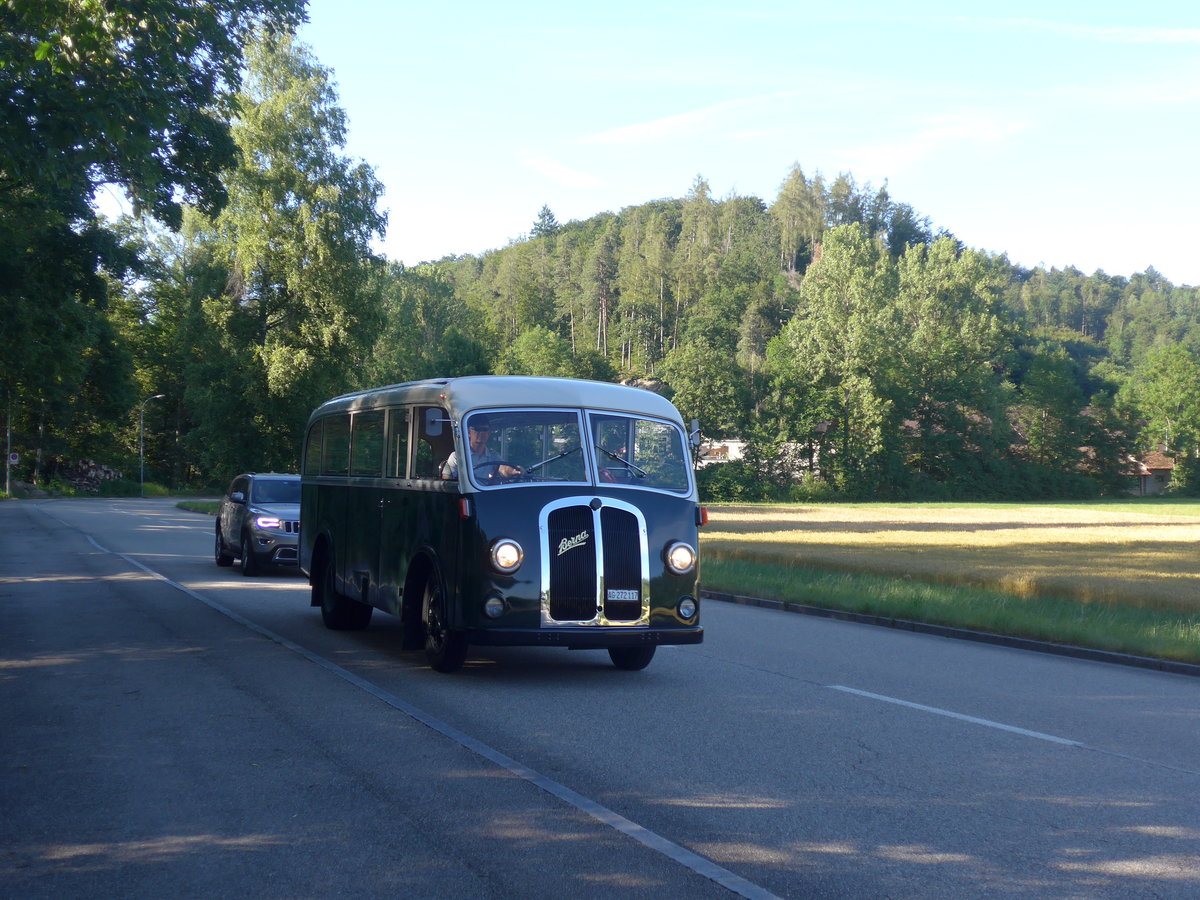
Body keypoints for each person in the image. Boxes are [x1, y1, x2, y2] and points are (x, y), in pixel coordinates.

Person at [441, 415, 523, 481]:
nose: (481, 433)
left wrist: (514, 470)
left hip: (487, 495)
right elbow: (447, 481)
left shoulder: (493, 456)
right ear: (468, 432)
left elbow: (503, 469)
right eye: (477, 429)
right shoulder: (457, 456)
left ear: (489, 433)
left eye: (485, 429)